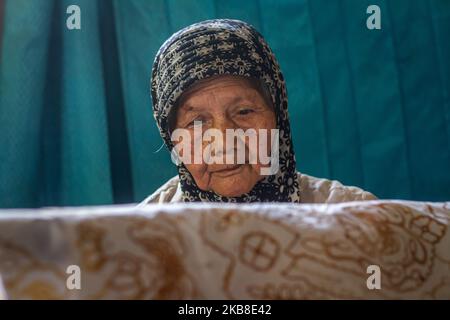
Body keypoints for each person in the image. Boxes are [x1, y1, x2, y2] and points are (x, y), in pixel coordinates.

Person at [139, 19, 376, 204]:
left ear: (278, 117)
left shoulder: (356, 218)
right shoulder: (142, 238)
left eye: (244, 111)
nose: (224, 142)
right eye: (197, 122)